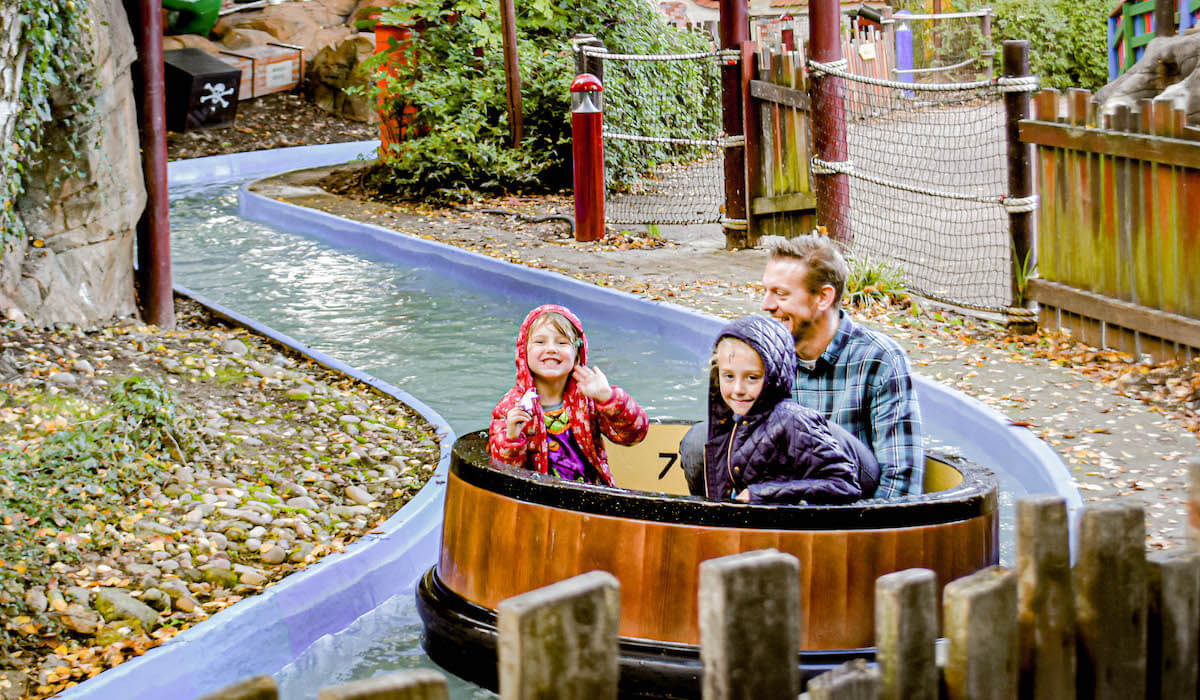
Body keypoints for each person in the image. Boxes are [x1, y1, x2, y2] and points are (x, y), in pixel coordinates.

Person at [681, 233, 923, 499]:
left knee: (797, 422)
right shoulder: (760, 352)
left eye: (781, 294)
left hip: (848, 502)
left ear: (822, 297)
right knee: (700, 440)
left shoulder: (880, 358)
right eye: (766, 291)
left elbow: (901, 480)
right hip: (776, 498)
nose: (767, 305)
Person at [700, 315, 872, 504]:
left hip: (804, 524)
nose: (738, 390)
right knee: (694, 441)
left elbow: (844, 484)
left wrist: (761, 494)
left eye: (752, 378)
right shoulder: (729, 420)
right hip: (757, 521)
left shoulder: (794, 421)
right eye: (729, 376)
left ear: (773, 376)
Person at [489, 304, 649, 486]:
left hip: (592, 497)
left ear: (578, 354)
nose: (551, 349)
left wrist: (609, 399)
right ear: (523, 352)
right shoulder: (510, 407)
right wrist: (512, 437)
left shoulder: (589, 398)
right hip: (538, 504)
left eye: (562, 342)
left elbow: (634, 435)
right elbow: (503, 475)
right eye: (540, 342)